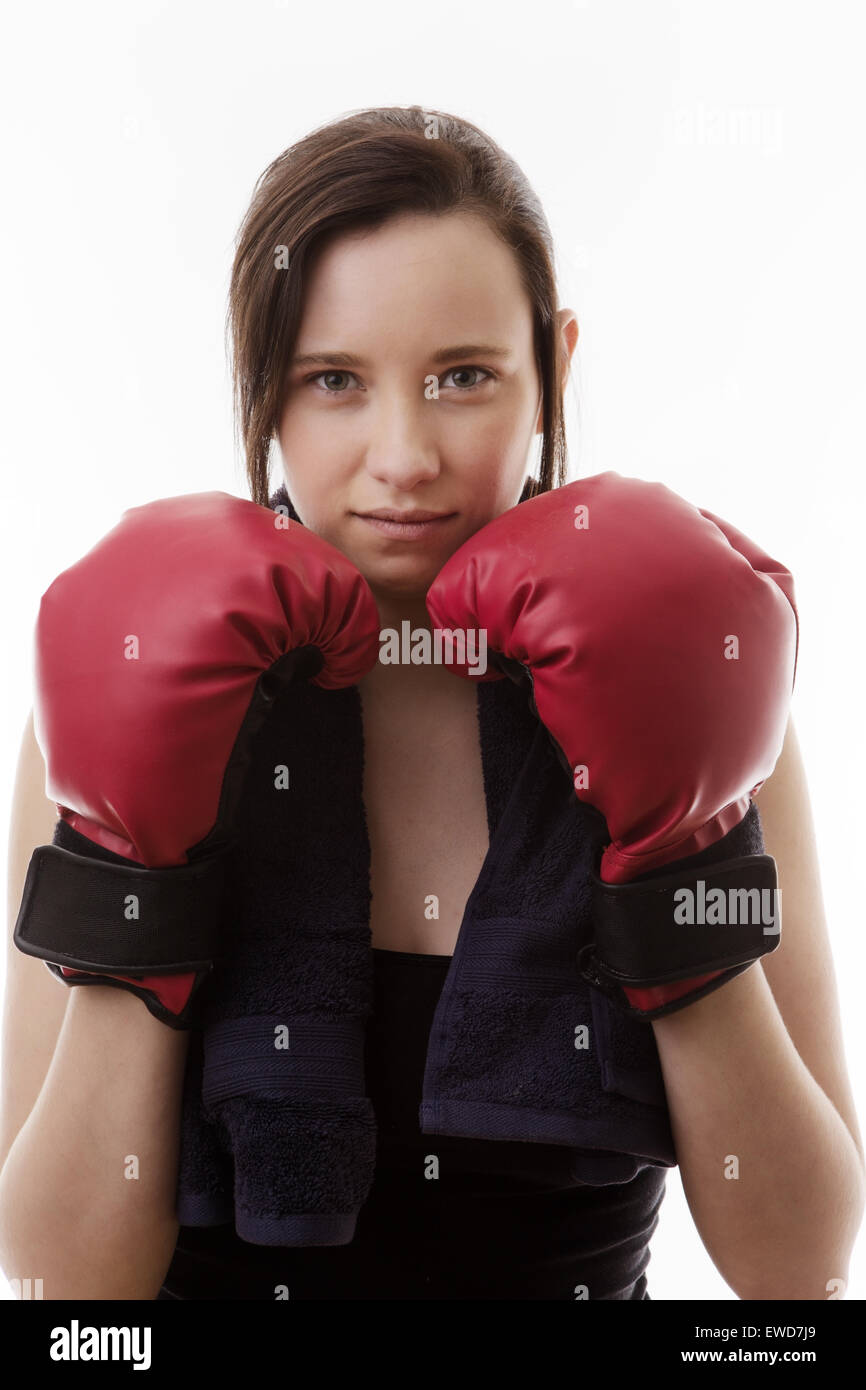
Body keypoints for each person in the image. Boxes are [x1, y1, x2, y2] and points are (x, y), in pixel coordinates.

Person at [1, 106, 863, 1302]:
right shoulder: (112, 696)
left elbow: (795, 1269)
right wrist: (145, 871)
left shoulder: (705, 694)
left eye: (463, 376)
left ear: (554, 365)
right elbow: (65, 1291)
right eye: (333, 381)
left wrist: (668, 855)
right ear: (264, 390)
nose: (401, 455)